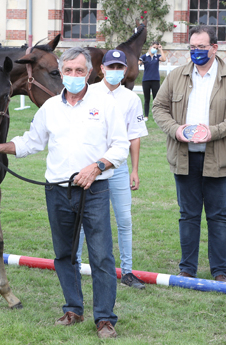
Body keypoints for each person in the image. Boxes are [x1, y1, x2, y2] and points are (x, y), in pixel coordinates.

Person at [0, 47, 130, 339]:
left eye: (79, 71)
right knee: (64, 254)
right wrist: (2, 147)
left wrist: (97, 167)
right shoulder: (50, 108)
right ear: (61, 73)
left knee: (101, 256)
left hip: (94, 188)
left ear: (89, 73)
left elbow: (120, 146)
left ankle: (104, 319)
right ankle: (73, 308)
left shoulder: (105, 104)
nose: (73, 76)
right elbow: (32, 142)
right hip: (58, 190)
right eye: (68, 71)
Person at [152, 25, 226, 283]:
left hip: (218, 157)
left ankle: (220, 272)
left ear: (214, 48)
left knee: (218, 216)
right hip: (184, 158)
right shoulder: (176, 76)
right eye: (192, 47)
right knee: (188, 215)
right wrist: (176, 130)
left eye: (201, 47)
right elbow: (159, 107)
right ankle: (187, 269)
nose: (196, 51)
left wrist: (215, 131)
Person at [75, 49, 149, 290]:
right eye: (111, 67)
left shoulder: (131, 99)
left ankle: (127, 271)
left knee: (124, 219)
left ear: (125, 71)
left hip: (117, 167)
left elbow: (134, 137)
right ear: (101, 69)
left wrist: (134, 170)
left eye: (120, 68)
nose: (115, 71)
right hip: (90, 167)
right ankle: (74, 264)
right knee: (84, 218)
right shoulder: (89, 92)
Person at [139, 41, 166, 121]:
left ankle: (156, 115)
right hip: (146, 80)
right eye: (154, 47)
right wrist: (141, 62)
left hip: (155, 80)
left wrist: (161, 49)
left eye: (156, 48)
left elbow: (164, 59)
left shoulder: (157, 57)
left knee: (156, 99)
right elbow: (139, 62)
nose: (155, 49)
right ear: (150, 47)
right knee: (146, 99)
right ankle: (146, 116)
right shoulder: (145, 56)